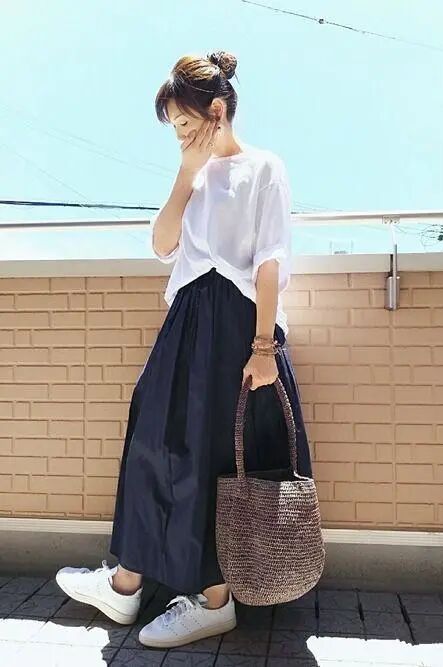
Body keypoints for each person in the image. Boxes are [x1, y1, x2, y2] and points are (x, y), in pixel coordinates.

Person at [55, 50, 313, 649]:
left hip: (236, 324)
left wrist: (263, 346)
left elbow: (270, 260)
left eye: (185, 123)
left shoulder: (264, 167)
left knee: (217, 454)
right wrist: (185, 173)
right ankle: (125, 583)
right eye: (174, 126)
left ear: (216, 110)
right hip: (186, 321)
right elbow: (162, 244)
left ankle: (213, 600)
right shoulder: (193, 177)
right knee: (153, 439)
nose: (179, 134)